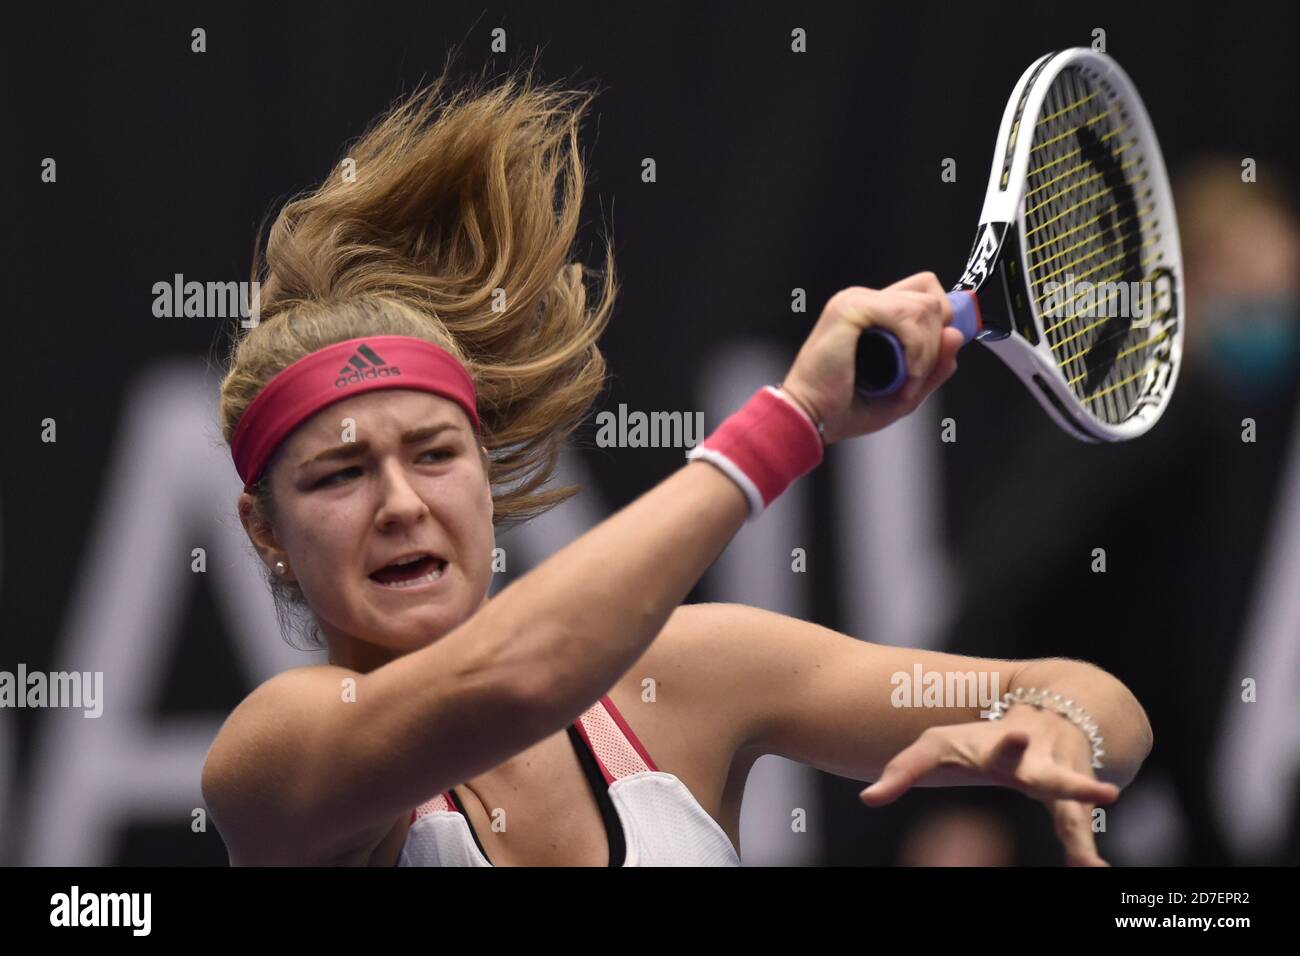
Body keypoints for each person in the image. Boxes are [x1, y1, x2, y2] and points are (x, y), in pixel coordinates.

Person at [200, 64, 1152, 867]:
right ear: (264, 530)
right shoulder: (277, 754)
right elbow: (518, 678)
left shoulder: (689, 676)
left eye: (436, 454)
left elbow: (1097, 697)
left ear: (485, 473)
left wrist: (1066, 726)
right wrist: (791, 423)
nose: (401, 503)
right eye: (340, 474)